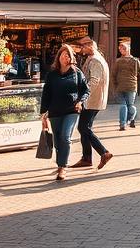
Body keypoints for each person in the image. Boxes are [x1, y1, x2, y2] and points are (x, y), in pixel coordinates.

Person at [39, 45, 89, 181]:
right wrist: (43, 113)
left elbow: (86, 90)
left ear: (72, 58)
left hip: (71, 110)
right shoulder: (52, 75)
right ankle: (60, 162)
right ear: (58, 57)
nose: (65, 57)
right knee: (57, 139)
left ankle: (63, 167)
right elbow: (46, 94)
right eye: (63, 55)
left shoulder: (77, 73)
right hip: (55, 111)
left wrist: (80, 102)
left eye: (68, 55)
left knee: (66, 137)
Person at [70, 38, 112, 170]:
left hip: (92, 100)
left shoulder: (95, 60)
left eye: (83, 47)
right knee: (85, 127)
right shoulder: (93, 59)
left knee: (83, 128)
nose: (81, 49)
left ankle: (103, 152)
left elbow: (94, 81)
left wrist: (83, 97)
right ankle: (86, 158)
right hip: (92, 99)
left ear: (90, 46)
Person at [114, 40, 140, 131]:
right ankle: (131, 119)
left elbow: (113, 74)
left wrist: (115, 85)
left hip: (120, 86)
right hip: (132, 85)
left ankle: (123, 124)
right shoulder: (135, 61)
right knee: (130, 105)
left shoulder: (118, 61)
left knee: (123, 105)